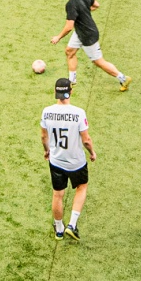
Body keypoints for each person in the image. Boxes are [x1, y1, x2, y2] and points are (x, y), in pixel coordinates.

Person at [38, 76, 94, 241]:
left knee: (58, 194)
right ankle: (72, 225)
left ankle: (59, 229)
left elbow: (43, 137)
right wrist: (92, 152)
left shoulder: (46, 111)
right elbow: (86, 140)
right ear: (71, 91)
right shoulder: (78, 113)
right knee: (81, 187)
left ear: (55, 92)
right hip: (76, 162)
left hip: (56, 161)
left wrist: (47, 151)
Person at [51, 0, 128, 91]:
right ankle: (72, 80)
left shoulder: (71, 4)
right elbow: (96, 5)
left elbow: (69, 27)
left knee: (98, 62)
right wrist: (84, 11)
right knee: (69, 51)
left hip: (88, 35)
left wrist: (58, 37)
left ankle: (123, 78)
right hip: (80, 31)